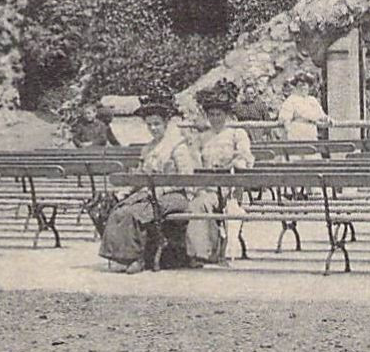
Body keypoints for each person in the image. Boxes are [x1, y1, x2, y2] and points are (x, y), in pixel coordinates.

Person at [98, 98, 198, 273]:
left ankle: (138, 258)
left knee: (134, 213)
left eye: (157, 124)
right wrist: (125, 191)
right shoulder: (148, 148)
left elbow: (186, 177)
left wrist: (163, 189)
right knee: (120, 210)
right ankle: (122, 257)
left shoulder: (177, 146)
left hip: (176, 196)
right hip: (150, 193)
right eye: (149, 124)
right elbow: (140, 175)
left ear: (166, 123)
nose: (153, 128)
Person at [185, 82, 255, 265]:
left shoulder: (236, 134)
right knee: (198, 203)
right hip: (208, 187)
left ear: (226, 115)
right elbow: (194, 162)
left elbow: (245, 158)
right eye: (212, 115)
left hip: (230, 187)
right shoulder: (202, 137)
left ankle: (210, 250)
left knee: (206, 205)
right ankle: (202, 251)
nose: (215, 118)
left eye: (219, 114)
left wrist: (233, 164)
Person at [277, 73, 331, 142]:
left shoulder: (312, 100)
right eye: (300, 86)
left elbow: (321, 115)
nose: (303, 88)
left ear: (309, 87)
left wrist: (327, 119)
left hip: (311, 131)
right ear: (296, 87)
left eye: (305, 85)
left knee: (312, 150)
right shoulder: (291, 100)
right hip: (297, 132)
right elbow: (284, 118)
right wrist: (289, 130)